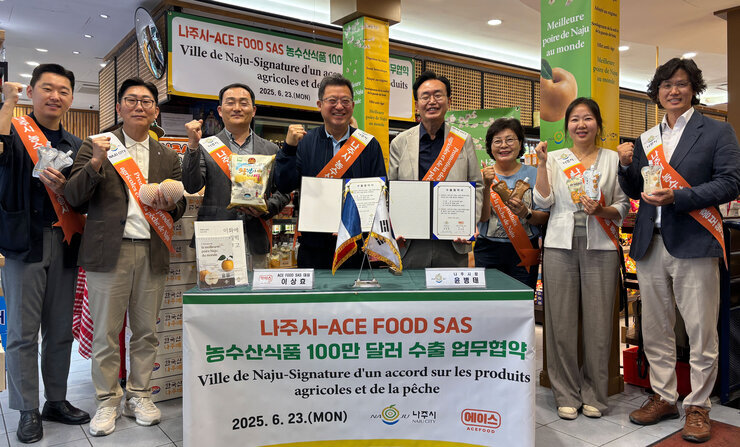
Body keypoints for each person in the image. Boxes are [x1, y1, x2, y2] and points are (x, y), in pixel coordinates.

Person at [618, 58, 740, 443]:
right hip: (649, 243)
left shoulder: (717, 131)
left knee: (701, 330)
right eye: (667, 85)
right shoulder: (646, 139)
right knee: (655, 327)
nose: (674, 91)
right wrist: (625, 166)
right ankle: (664, 396)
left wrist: (680, 197)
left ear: (693, 89)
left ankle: (699, 405)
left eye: (682, 84)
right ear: (657, 92)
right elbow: (635, 187)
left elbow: (730, 182)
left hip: (695, 241)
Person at [65, 78, 186, 437]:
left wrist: (170, 205)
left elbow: (179, 206)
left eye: (146, 101)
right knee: (105, 332)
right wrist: (96, 162)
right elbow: (73, 197)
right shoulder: (97, 145)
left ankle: (140, 395)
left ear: (156, 110)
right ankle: (106, 401)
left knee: (146, 332)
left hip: (151, 250)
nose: (139, 106)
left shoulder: (167, 155)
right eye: (131, 100)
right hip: (108, 253)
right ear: (118, 107)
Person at [0, 64, 90, 443]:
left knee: (60, 330)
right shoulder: (13, 132)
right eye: (47, 88)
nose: (55, 96)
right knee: (23, 333)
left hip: (66, 244)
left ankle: (56, 400)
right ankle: (27, 409)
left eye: (63, 91)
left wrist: (70, 187)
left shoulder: (76, 144)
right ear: (32, 92)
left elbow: (84, 197)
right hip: (24, 243)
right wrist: (7, 103)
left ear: (71, 98)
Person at [533, 97, 629, 420]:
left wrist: (602, 210)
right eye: (575, 119)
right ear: (567, 127)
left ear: (598, 124)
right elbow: (543, 201)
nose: (581, 124)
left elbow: (623, 204)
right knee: (560, 322)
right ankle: (565, 393)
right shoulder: (554, 158)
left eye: (587, 118)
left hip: (600, 245)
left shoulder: (612, 159)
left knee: (600, 323)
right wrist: (541, 165)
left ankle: (595, 394)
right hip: (559, 245)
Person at [274, 73, 386, 269]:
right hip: (314, 247)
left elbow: (380, 194)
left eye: (345, 101)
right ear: (319, 105)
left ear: (353, 105)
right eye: (332, 100)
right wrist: (289, 149)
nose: (339, 106)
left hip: (357, 247)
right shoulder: (305, 142)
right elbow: (284, 184)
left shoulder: (369, 145)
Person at [182, 83, 289, 268]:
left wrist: (267, 208)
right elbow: (192, 186)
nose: (237, 108)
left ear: (253, 110)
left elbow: (284, 190)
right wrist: (192, 146)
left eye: (244, 103)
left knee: (255, 288)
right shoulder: (205, 146)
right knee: (215, 286)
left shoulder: (270, 149)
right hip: (215, 239)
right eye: (230, 102)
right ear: (220, 110)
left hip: (256, 239)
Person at [388, 70, 483, 267]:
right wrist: (392, 225)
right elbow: (391, 189)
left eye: (438, 95)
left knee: (451, 288)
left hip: (453, 241)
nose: (432, 101)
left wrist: (468, 223)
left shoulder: (463, 141)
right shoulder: (400, 143)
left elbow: (477, 186)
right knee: (411, 287)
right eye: (425, 97)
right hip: (411, 242)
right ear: (417, 105)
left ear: (449, 101)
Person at [477, 118, 549, 287]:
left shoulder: (535, 174)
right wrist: (486, 186)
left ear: (520, 143)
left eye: (510, 140)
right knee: (488, 299)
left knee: (522, 300)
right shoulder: (482, 175)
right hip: (488, 250)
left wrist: (526, 213)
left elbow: (544, 216)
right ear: (490, 146)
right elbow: (483, 218)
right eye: (497, 141)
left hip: (525, 250)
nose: (504, 146)